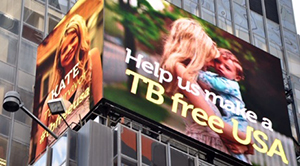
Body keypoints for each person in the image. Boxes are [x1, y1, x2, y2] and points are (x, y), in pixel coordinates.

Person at [160, 18, 253, 158]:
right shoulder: (181, 70)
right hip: (205, 148)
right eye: (210, 59)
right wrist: (248, 141)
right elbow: (212, 121)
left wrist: (243, 145)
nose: (212, 65)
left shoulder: (191, 74)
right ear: (196, 51)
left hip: (214, 144)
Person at [34, 14, 103, 158]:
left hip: (87, 148)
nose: (69, 49)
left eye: (73, 40)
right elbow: (39, 156)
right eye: (64, 49)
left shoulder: (91, 60)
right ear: (59, 59)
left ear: (80, 39)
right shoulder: (50, 100)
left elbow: (101, 106)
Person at [197, 48, 250, 162]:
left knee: (233, 146)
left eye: (227, 68)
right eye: (218, 62)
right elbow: (208, 76)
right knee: (227, 143)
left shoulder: (232, 85)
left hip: (236, 120)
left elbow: (210, 81)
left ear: (237, 77)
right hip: (227, 118)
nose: (221, 67)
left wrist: (194, 69)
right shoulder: (218, 76)